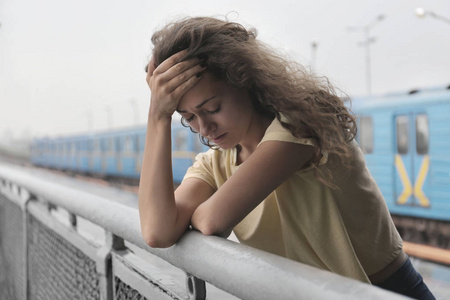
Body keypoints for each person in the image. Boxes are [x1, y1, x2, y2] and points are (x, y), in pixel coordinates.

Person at [138, 16, 435, 299]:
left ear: (245, 80)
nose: (204, 127)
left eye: (213, 108)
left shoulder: (301, 125)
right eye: (188, 117)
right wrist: (158, 117)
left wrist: (198, 213)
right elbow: (157, 232)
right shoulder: (215, 162)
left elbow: (210, 220)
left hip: (385, 292)